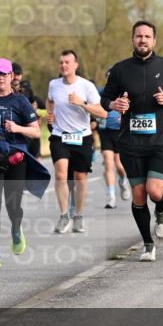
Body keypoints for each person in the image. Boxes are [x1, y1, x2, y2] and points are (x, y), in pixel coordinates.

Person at [102, 20, 163, 262]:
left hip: (160, 141)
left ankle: (161, 208)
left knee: (155, 191)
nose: (143, 40)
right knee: (139, 196)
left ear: (154, 40)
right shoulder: (120, 70)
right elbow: (105, 99)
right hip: (131, 143)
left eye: (147, 36)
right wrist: (114, 104)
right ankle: (148, 245)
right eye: (139, 36)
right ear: (133, 39)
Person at [0, 58, 47, 268]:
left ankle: (15, 228)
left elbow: (36, 131)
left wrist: (17, 128)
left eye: (4, 74)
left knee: (13, 206)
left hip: (15, 157)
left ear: (11, 76)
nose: (0, 78)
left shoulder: (20, 101)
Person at [47, 50, 107, 234]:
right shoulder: (54, 84)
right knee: (61, 175)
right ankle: (64, 215)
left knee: (80, 178)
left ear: (75, 65)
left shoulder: (87, 86)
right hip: (60, 136)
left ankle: (78, 215)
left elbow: (103, 113)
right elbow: (50, 101)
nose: (63, 65)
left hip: (82, 137)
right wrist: (51, 115)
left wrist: (82, 103)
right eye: (61, 62)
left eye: (67, 62)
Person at [96, 71, 129, 208]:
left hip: (120, 132)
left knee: (120, 165)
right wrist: (94, 120)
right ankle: (111, 196)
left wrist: (125, 118)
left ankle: (123, 181)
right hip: (105, 132)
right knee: (109, 164)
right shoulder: (101, 92)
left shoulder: (125, 92)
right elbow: (93, 105)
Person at [12, 62, 43, 158]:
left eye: (18, 74)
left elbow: (34, 104)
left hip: (29, 128)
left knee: (35, 157)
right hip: (14, 130)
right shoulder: (5, 90)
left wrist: (35, 115)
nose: (16, 77)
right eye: (14, 74)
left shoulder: (26, 88)